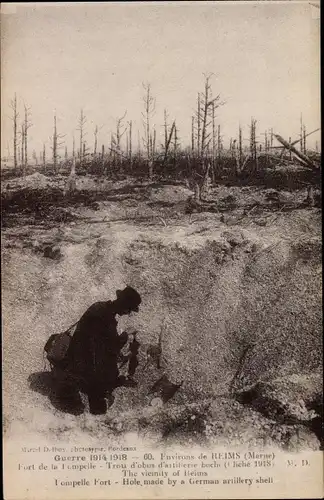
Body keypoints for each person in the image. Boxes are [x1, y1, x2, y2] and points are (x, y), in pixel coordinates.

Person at [62, 286, 142, 415]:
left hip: (80, 354)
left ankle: (100, 403)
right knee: (103, 381)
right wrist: (126, 334)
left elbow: (103, 342)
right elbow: (112, 345)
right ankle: (98, 413)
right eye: (129, 310)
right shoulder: (106, 316)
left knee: (107, 371)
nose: (128, 313)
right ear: (124, 306)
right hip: (82, 361)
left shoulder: (101, 308)